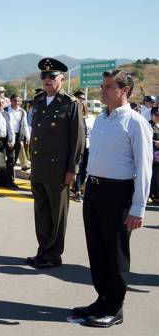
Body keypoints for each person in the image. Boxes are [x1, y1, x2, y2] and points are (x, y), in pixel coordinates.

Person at [71, 70, 152, 328]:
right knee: (97, 249)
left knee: (116, 253)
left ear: (124, 90)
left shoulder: (136, 122)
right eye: (102, 86)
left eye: (108, 87)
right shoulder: (101, 119)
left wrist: (138, 207)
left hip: (119, 194)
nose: (102, 91)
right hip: (95, 191)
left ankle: (115, 308)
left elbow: (144, 167)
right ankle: (102, 298)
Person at [25, 58, 84, 269]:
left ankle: (53, 255)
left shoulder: (70, 103)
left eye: (52, 76)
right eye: (44, 76)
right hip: (40, 166)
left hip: (59, 169)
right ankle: (42, 251)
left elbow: (78, 140)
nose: (47, 80)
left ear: (62, 79)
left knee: (57, 215)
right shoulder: (39, 101)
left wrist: (72, 169)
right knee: (41, 211)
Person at [72, 90, 95, 202]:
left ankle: (77, 187)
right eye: (79, 99)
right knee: (77, 167)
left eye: (83, 99)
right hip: (76, 145)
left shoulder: (91, 118)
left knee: (84, 169)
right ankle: (76, 190)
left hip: (88, 146)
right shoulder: (72, 115)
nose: (81, 101)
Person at [6, 93, 30, 186]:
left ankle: (9, 179)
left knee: (13, 160)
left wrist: (27, 137)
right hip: (7, 137)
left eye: (19, 101)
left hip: (18, 137)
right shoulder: (6, 110)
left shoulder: (22, 111)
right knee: (10, 159)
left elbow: (25, 125)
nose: (17, 102)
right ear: (11, 101)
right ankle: (9, 180)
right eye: (15, 100)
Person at [0, 98, 15, 188]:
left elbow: (10, 128)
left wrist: (11, 140)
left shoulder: (6, 114)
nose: (0, 104)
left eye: (2, 103)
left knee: (1, 162)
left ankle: (0, 182)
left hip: (3, 141)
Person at [149, 107, 159, 204]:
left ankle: (157, 195)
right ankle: (151, 195)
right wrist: (154, 142)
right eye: (156, 115)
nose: (158, 117)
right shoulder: (148, 125)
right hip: (152, 154)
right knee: (152, 176)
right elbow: (144, 139)